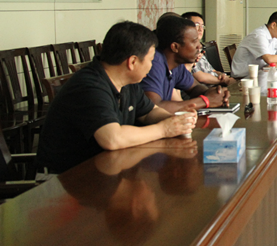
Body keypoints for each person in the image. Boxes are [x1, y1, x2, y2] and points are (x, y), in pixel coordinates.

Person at [35, 21, 197, 174]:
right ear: (132, 62)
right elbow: (112, 139)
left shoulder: (127, 82)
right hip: (65, 178)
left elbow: (149, 112)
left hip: (105, 169)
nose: (152, 65)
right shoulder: (89, 86)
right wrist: (164, 129)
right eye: (150, 60)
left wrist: (177, 121)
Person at [140, 15, 230, 113]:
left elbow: (194, 87)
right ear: (175, 47)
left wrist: (214, 93)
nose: (199, 46)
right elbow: (153, 107)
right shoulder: (154, 63)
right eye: (194, 41)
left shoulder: (176, 63)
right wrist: (205, 101)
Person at [180, 11, 235, 87]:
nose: (200, 29)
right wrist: (225, 81)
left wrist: (221, 74)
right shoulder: (187, 49)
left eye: (202, 26)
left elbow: (212, 70)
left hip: (217, 84)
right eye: (197, 25)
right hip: (207, 88)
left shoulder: (200, 47)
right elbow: (200, 78)